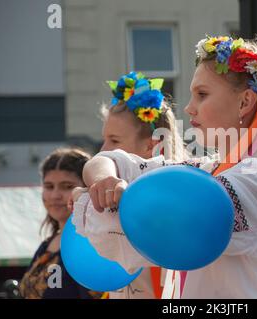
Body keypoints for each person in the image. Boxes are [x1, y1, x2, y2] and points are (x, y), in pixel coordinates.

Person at [72, 36, 257, 298]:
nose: (189, 108)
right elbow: (109, 161)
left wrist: (96, 201)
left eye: (202, 95)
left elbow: (179, 215)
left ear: (244, 102)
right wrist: (104, 180)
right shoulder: (204, 170)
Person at [70, 71, 186, 299]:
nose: (104, 149)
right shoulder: (105, 202)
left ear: (152, 145)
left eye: (114, 140)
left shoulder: (175, 200)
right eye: (104, 139)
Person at [19, 148, 103, 299]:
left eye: (67, 186)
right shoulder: (47, 244)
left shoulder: (92, 245)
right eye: (49, 186)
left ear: (87, 189)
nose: (55, 195)